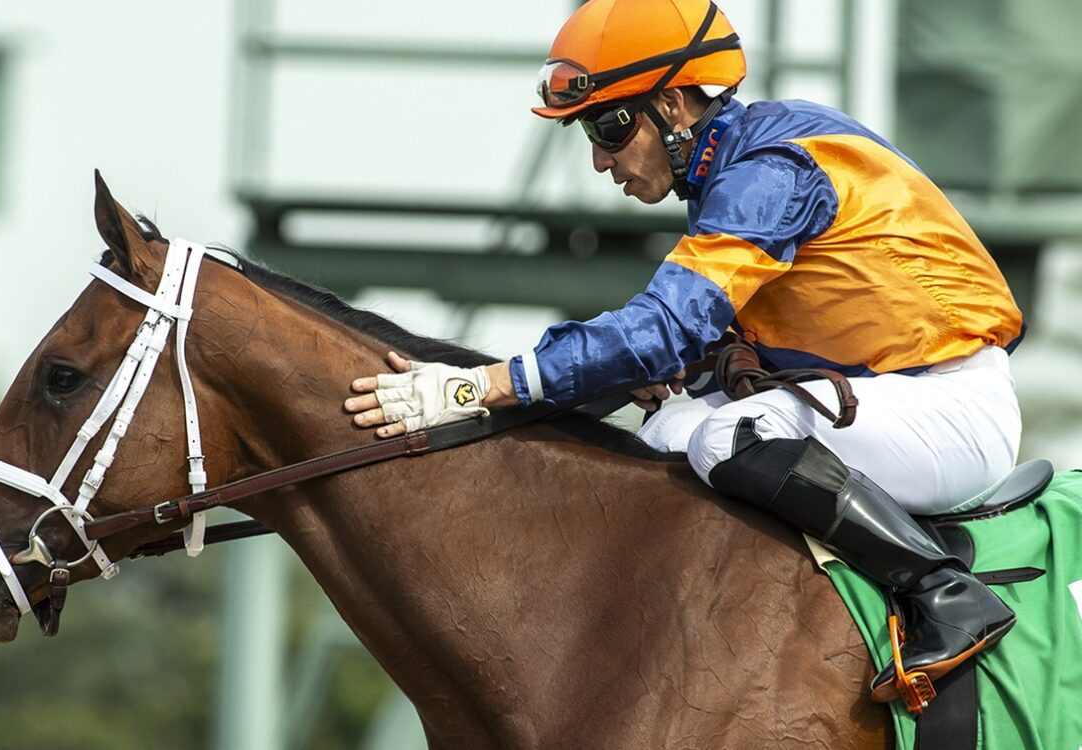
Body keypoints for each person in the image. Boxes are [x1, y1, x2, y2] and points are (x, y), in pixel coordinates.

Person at [343, 0, 1024, 705]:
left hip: (950, 407)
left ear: (672, 105)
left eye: (611, 126)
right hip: (883, 395)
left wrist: (478, 386)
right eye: (590, 132)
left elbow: (664, 326)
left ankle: (945, 592)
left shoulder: (769, 169)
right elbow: (691, 340)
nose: (601, 160)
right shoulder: (725, 167)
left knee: (731, 434)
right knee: (669, 432)